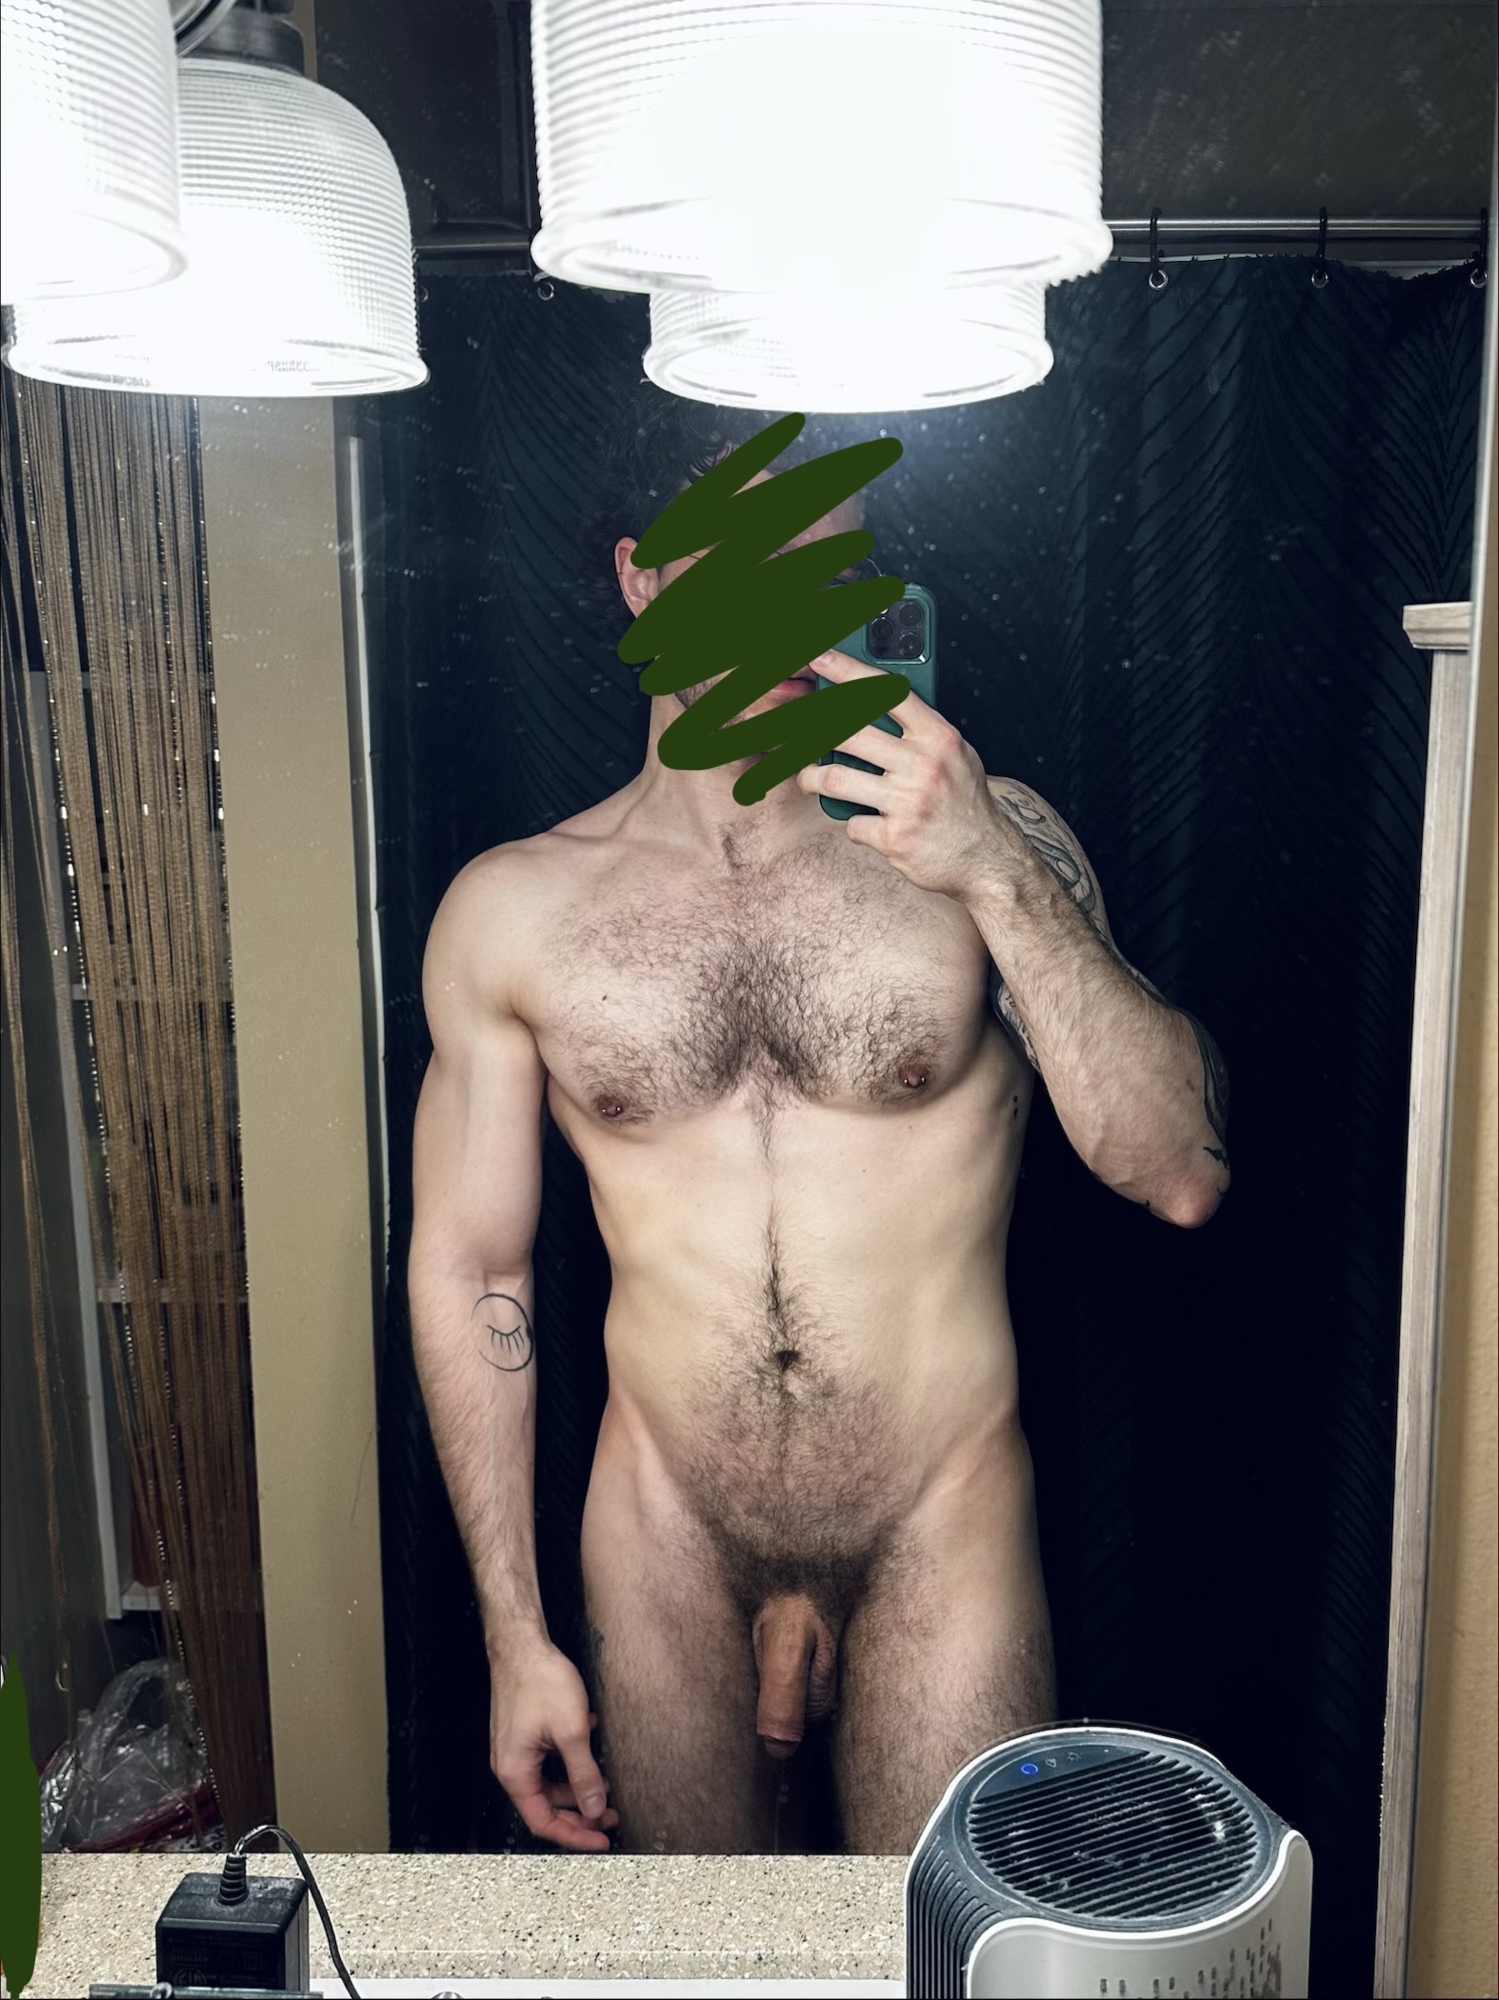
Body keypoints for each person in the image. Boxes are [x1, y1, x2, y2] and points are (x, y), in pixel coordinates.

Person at [408, 387, 1230, 1857]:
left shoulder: (991, 845)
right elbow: (476, 1269)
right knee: (697, 1961)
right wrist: (513, 1639)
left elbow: (1176, 1169)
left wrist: (989, 864)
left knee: (954, 1947)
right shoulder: (513, 910)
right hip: (662, 1534)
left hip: (940, 1521)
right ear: (642, 578)